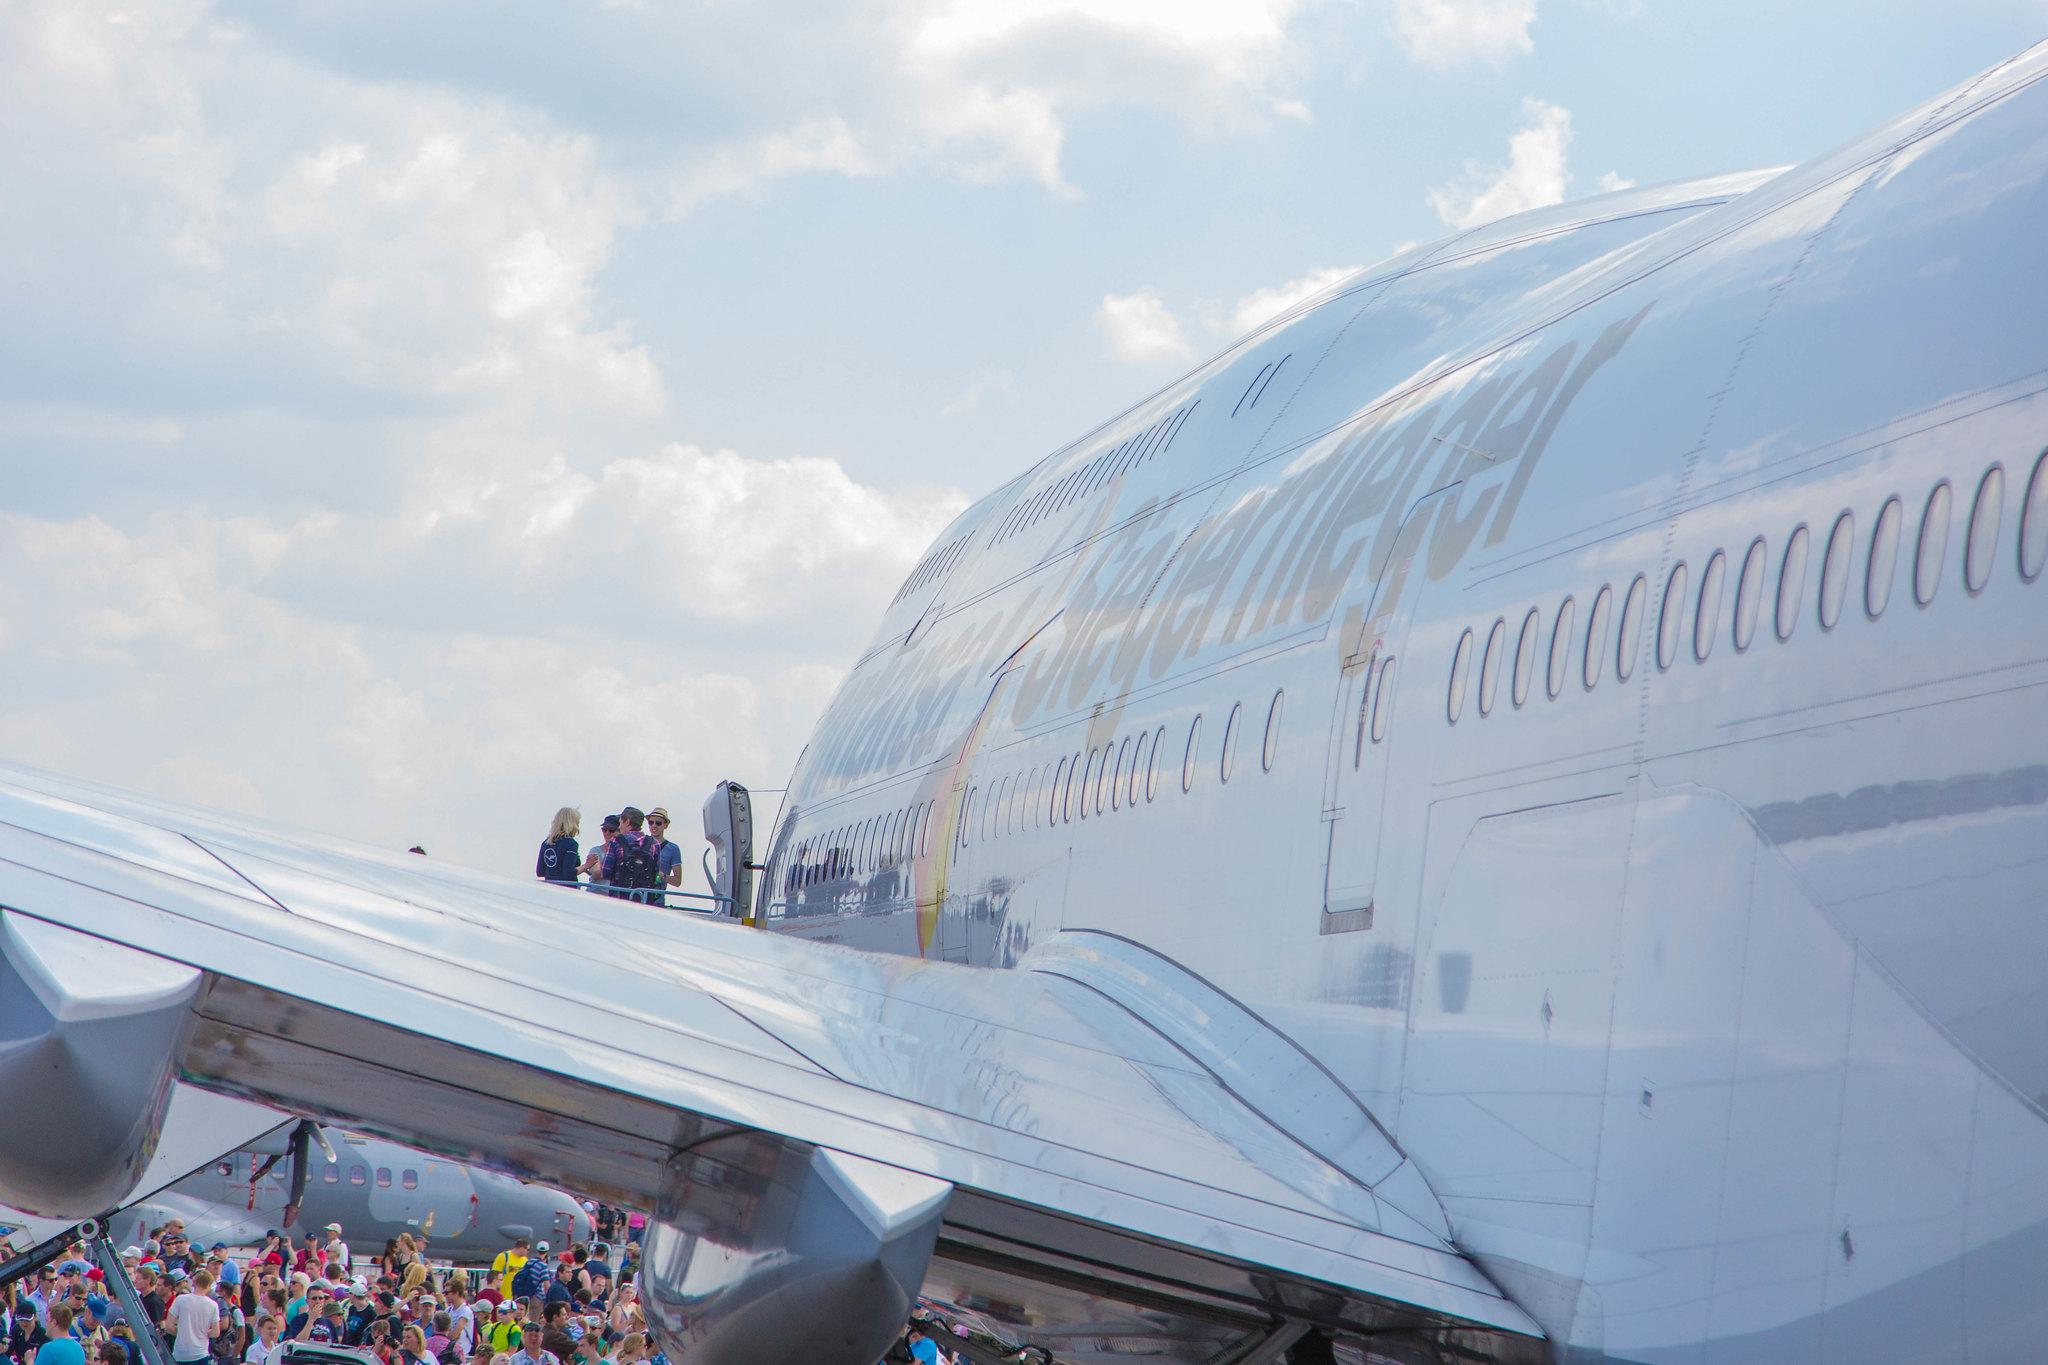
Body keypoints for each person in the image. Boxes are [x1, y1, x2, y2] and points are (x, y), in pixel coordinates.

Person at [164, 1271, 222, 1365]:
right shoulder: (213, 1305)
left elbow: (168, 1326)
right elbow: (215, 1333)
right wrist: (203, 1333)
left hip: (180, 1353)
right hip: (200, 1352)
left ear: (194, 1283)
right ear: (208, 1285)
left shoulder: (180, 1299)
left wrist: (181, 1332)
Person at [601, 809, 660, 903]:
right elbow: (656, 873)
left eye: (620, 822)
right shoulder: (654, 843)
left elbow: (605, 872)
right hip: (644, 899)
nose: (619, 827)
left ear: (627, 822)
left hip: (619, 897)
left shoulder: (616, 841)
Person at [644, 810, 682, 907]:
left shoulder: (673, 849)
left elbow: (677, 881)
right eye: (651, 822)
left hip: (657, 900)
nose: (654, 825)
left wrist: (661, 875)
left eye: (658, 823)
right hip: (639, 896)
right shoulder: (642, 843)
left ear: (665, 825)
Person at [537, 809, 581, 884]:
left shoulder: (546, 843)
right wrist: (587, 865)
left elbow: (540, 872)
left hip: (550, 887)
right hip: (566, 889)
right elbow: (568, 874)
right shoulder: (571, 844)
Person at [578, 817, 620, 889]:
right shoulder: (596, 851)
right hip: (597, 892)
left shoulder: (624, 852)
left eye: (611, 830)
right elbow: (596, 874)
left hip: (615, 895)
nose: (607, 833)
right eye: (604, 830)